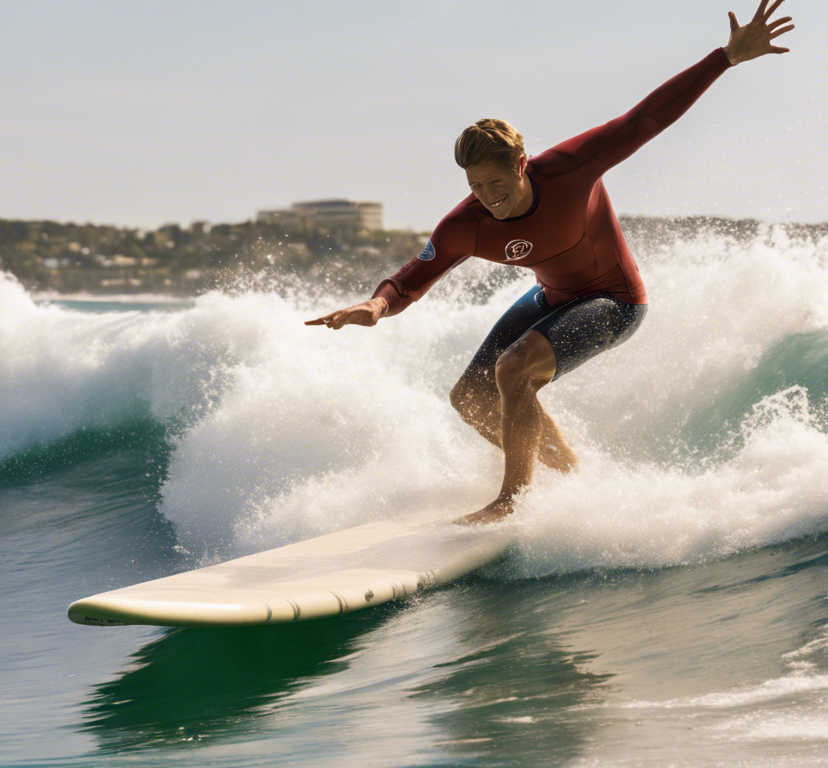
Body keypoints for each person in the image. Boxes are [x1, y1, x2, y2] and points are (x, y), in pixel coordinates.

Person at [306, 1, 794, 524]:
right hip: (553, 297)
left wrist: (724, 59)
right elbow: (412, 278)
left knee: (513, 368)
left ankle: (511, 501)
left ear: (521, 165)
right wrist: (376, 306)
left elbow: (646, 118)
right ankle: (573, 479)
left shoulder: (569, 169)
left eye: (496, 182)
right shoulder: (465, 225)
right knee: (470, 398)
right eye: (475, 186)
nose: (487, 196)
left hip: (616, 300)